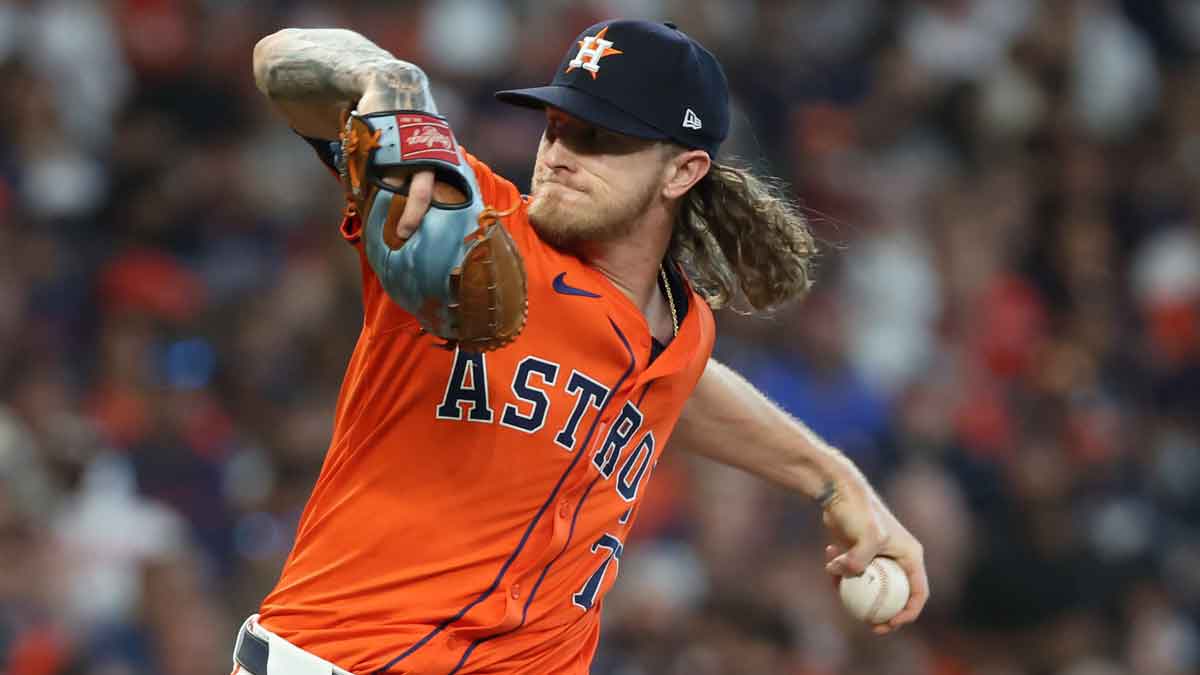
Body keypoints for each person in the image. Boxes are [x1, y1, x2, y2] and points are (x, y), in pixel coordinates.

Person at [237, 19, 928, 675]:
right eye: (558, 127)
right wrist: (378, 78)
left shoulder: (681, 331)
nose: (562, 155)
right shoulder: (468, 216)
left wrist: (834, 478)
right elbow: (278, 62)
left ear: (683, 171)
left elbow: (674, 386)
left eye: (601, 137)